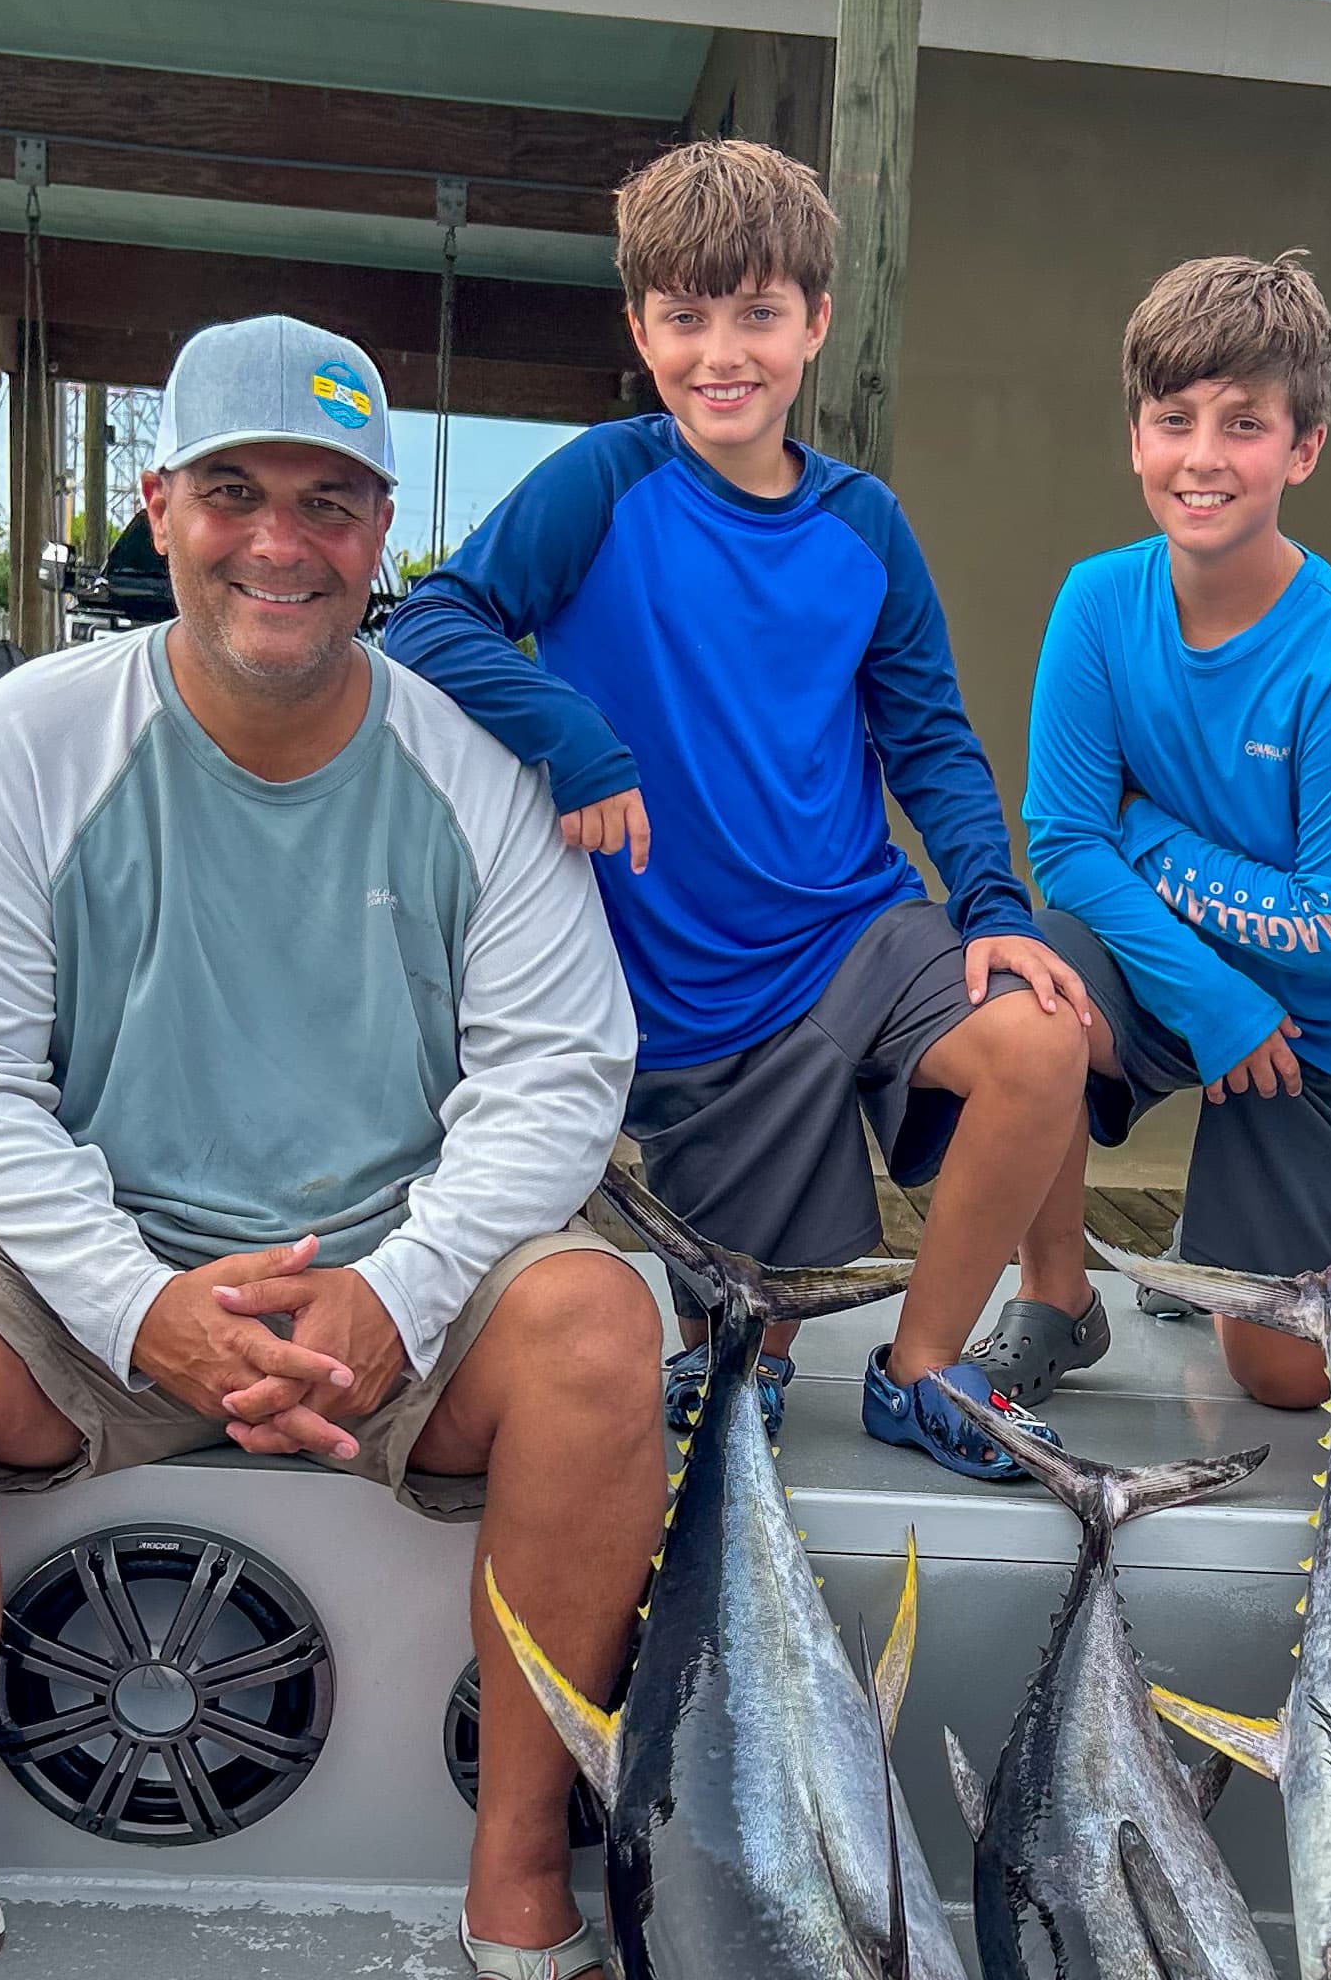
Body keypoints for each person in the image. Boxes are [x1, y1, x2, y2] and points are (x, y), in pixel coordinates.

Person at [0, 316, 659, 1980]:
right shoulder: (27, 744)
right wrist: (133, 1303)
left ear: (381, 531)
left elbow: (558, 1072)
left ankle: (520, 1860)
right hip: (102, 1290)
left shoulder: (471, 765)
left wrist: (397, 1291)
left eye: (326, 501)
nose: (278, 542)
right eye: (233, 491)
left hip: (387, 1298)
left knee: (597, 1324)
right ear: (155, 509)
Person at [383, 138, 1093, 1482]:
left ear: (814, 324)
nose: (724, 352)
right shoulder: (604, 479)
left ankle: (926, 1366)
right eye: (686, 315)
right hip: (679, 984)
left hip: (855, 930)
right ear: (641, 325)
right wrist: (579, 743)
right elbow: (434, 621)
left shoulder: (865, 524)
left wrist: (993, 907)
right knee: (740, 1378)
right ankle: (745, 1347)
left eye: (758, 314)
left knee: (1041, 1040)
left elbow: (930, 735)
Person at [989, 251, 1331, 1414]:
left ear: (1303, 447)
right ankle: (1054, 1295)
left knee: (1280, 1376)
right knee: (1029, 1002)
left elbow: (1330, 929)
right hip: (1181, 980)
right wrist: (1215, 1003)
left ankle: (1215, 1233)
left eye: (1245, 423)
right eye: (1174, 419)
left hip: (1313, 1032)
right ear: (1136, 437)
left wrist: (1147, 831)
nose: (1204, 456)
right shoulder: (1096, 600)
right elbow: (1063, 849)